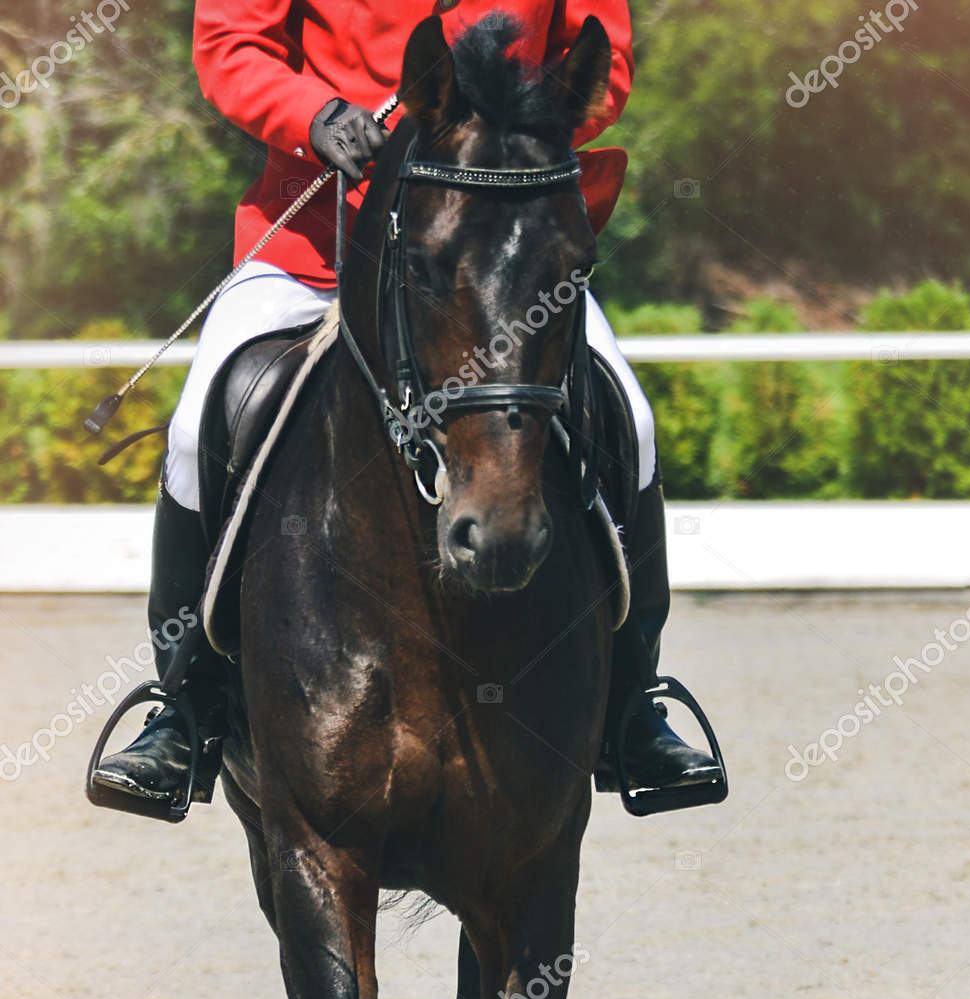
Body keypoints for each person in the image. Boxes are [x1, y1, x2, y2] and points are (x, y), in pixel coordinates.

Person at [91, 0, 721, 815]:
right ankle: (184, 707)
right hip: (322, 231)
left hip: (495, 238)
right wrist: (313, 114)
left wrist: (510, 120)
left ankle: (635, 704)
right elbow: (228, 42)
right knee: (191, 430)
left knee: (628, 418)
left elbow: (604, 66)